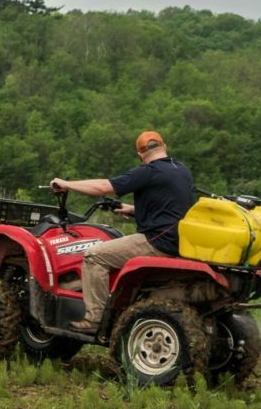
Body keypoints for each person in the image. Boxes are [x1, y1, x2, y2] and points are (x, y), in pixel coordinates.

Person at [51, 130, 195, 333]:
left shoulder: (147, 171)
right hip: (177, 239)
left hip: (156, 241)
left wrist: (66, 184)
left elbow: (102, 187)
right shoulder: (181, 169)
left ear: (140, 154)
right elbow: (170, 207)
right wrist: (132, 210)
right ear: (164, 147)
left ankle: (95, 319)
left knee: (94, 256)